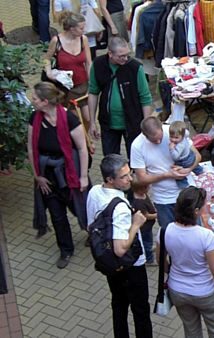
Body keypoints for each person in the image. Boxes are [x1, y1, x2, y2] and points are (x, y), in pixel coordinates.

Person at [86, 154, 152, 338]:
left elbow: (89, 225)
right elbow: (120, 248)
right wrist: (136, 225)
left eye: (129, 173)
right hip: (131, 265)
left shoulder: (94, 192)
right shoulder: (121, 207)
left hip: (108, 263)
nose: (130, 179)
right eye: (123, 177)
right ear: (110, 179)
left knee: (118, 304)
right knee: (140, 310)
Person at [27, 82, 89, 269]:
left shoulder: (69, 118)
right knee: (57, 215)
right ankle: (65, 250)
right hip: (47, 176)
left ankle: (93, 234)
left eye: (35, 99)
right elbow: (31, 148)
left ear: (45, 101)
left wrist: (83, 176)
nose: (33, 101)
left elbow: (82, 148)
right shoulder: (34, 118)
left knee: (81, 208)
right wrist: (37, 175)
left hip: (69, 173)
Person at [156, 187, 214, 338]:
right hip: (206, 292)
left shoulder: (164, 231)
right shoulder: (205, 236)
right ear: (196, 211)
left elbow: (160, 260)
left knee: (191, 330)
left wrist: (171, 272)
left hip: (178, 291)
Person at [87, 37, 154, 158]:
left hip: (133, 122)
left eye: (127, 55)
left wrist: (146, 125)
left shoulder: (135, 68)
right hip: (108, 123)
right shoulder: (98, 65)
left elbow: (145, 98)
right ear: (110, 54)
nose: (125, 58)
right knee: (110, 160)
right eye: (121, 56)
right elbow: (93, 93)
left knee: (136, 159)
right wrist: (92, 122)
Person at [131, 116, 201, 229]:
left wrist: (188, 169)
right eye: (153, 140)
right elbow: (142, 178)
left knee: (194, 233)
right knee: (168, 237)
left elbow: (197, 156)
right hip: (163, 200)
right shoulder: (137, 146)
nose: (158, 142)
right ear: (144, 135)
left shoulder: (174, 132)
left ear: (162, 128)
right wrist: (167, 175)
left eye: (160, 138)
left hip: (187, 193)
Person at [44, 11, 92, 126]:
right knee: (75, 119)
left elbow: (89, 62)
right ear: (71, 28)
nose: (84, 30)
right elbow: (47, 59)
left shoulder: (83, 39)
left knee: (89, 117)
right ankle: (82, 141)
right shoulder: (56, 41)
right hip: (66, 87)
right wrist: (49, 72)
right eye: (81, 28)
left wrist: (91, 82)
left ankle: (88, 139)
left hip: (82, 85)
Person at [130, 176, 158, 266]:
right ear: (140, 190)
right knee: (147, 242)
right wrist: (157, 215)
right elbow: (146, 216)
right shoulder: (139, 203)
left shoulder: (142, 195)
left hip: (148, 226)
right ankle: (149, 259)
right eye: (147, 187)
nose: (149, 188)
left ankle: (149, 248)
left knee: (148, 239)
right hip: (144, 227)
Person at [169, 121, 203, 189]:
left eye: (176, 138)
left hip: (184, 161)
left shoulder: (180, 145)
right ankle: (200, 171)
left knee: (178, 173)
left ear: (182, 136)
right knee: (195, 165)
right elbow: (187, 132)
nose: (173, 140)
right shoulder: (185, 134)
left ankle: (183, 186)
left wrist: (171, 149)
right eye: (171, 137)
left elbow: (175, 157)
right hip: (191, 156)